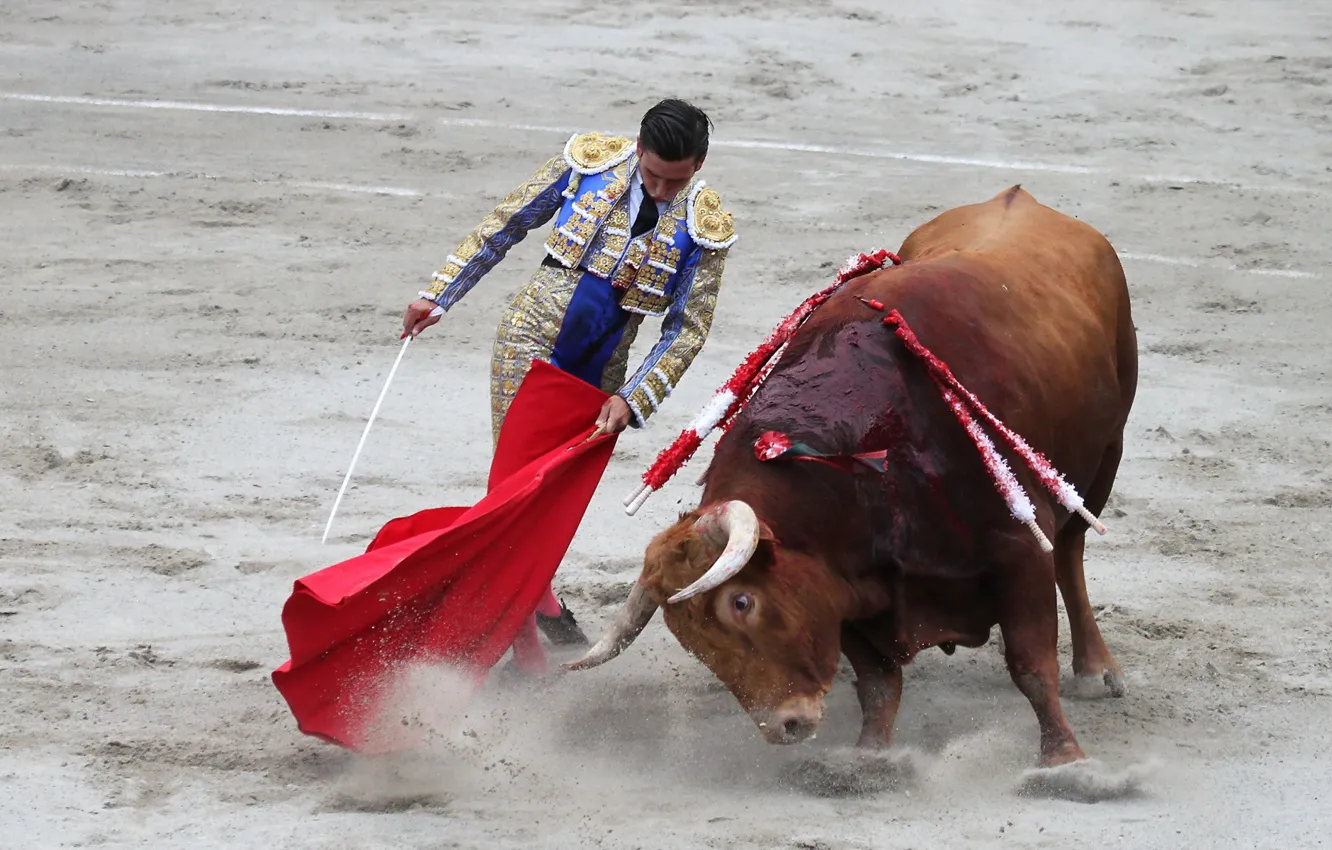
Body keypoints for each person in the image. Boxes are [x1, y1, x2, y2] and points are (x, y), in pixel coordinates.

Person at [400, 98, 736, 648]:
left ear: (697, 166)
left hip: (604, 370)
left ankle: (536, 609)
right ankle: (533, 632)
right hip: (529, 336)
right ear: (638, 148)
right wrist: (440, 294)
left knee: (550, 500)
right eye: (651, 174)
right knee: (511, 491)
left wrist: (634, 395)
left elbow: (686, 329)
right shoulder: (591, 163)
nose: (658, 190)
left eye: (673, 181)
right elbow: (505, 225)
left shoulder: (705, 224)